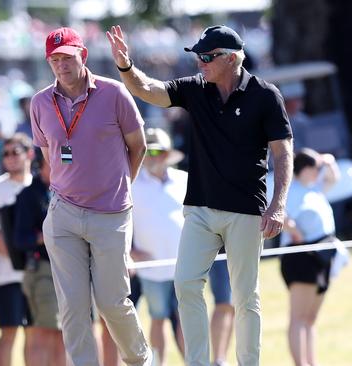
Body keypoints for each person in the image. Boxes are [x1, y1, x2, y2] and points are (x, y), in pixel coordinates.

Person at [106, 25, 293, 366]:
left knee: (245, 296)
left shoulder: (266, 95)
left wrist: (278, 205)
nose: (200, 62)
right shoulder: (195, 89)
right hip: (200, 209)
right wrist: (125, 66)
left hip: (246, 210)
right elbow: (148, 89)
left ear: (233, 58)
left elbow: (282, 153)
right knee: (186, 284)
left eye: (208, 56)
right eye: (198, 56)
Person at [31, 26, 151, 366]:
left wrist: (122, 184)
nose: (60, 65)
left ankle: (140, 360)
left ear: (82, 56)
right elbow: (48, 157)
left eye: (67, 57)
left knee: (113, 302)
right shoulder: (39, 102)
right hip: (63, 212)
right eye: (54, 59)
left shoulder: (114, 93)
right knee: (72, 306)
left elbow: (138, 146)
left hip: (111, 213)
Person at [131, 128, 186, 365]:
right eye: (146, 151)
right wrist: (129, 252)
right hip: (151, 268)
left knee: (187, 319)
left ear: (166, 154)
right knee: (157, 318)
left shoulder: (184, 180)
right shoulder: (131, 183)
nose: (151, 156)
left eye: (156, 151)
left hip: (185, 266)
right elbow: (118, 224)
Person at [280, 148, 340, 366]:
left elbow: (334, 178)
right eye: (316, 167)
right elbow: (282, 217)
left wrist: (327, 160)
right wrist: (297, 234)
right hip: (302, 255)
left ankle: (311, 362)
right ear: (304, 169)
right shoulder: (291, 190)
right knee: (298, 316)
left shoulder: (314, 189)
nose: (319, 171)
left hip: (322, 255)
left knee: (310, 318)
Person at [0, 133, 34, 366]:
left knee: (34, 333)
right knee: (9, 331)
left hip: (36, 275)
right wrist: (20, 262)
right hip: (5, 275)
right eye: (5, 154)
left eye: (15, 152)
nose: (10, 158)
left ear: (29, 154)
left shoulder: (39, 186)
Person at [13, 151, 66, 366]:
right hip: (44, 273)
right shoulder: (29, 195)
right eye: (54, 161)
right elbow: (20, 238)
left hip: (70, 272)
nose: (61, 165)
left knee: (66, 335)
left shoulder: (69, 191)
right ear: (41, 163)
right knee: (44, 333)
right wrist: (46, 236)